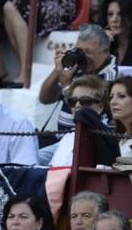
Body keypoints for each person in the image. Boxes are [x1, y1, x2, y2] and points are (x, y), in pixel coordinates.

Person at [36, 24, 117, 152]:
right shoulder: (78, 68)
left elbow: (84, 114)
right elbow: (45, 98)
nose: (82, 57)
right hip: (62, 141)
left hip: (85, 143)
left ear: (105, 52)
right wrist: (58, 70)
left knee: (36, 159)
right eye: (80, 50)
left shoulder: (110, 77)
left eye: (88, 52)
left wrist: (66, 86)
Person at [48, 74, 112, 169]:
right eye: (73, 101)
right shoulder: (68, 137)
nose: (77, 105)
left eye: (85, 101)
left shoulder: (107, 137)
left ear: (100, 106)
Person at [102, 0, 132, 65]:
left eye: (120, 14)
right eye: (110, 14)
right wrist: (104, 44)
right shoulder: (104, 41)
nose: (114, 19)